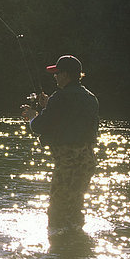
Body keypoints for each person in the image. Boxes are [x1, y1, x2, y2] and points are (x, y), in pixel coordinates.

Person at [21, 55, 99, 236]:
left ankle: (59, 254)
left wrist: (32, 115)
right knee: (75, 207)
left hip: (67, 162)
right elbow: (71, 117)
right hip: (87, 161)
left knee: (57, 212)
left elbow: (39, 126)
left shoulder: (60, 98)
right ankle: (78, 249)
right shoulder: (90, 97)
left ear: (66, 75)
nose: (54, 77)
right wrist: (49, 105)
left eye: (57, 73)